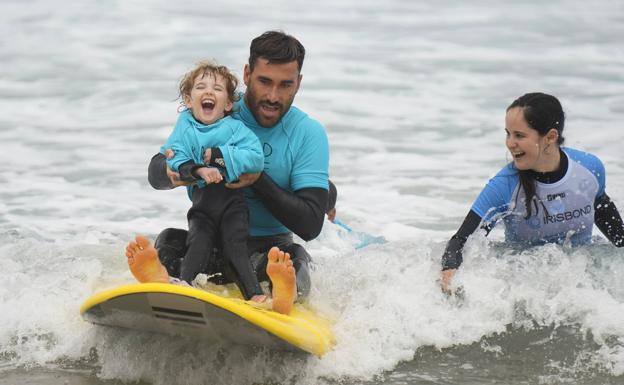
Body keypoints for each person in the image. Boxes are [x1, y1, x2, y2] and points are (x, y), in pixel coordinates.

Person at [138, 31, 330, 315]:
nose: (273, 96)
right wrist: (185, 173)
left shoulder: (307, 133)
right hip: (207, 244)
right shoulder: (216, 107)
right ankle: (165, 283)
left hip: (268, 255)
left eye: (285, 85)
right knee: (168, 240)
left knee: (297, 260)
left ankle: (282, 297)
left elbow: (310, 224)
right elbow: (157, 171)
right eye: (265, 81)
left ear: (299, 83)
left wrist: (257, 179)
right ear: (247, 73)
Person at [440, 92, 624, 294]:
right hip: (525, 291)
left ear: (550, 137)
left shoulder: (589, 169)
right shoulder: (504, 186)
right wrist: (449, 274)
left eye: (519, 135)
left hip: (581, 288)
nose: (510, 143)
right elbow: (461, 241)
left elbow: (611, 224)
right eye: (508, 134)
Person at [127, 60, 269, 304]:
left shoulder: (235, 128)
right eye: (201, 87)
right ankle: (183, 285)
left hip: (232, 205)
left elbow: (256, 158)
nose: (208, 92)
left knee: (235, 246)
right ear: (188, 99)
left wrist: (220, 156)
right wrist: (197, 170)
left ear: (228, 104)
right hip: (203, 206)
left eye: (217, 89)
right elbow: (174, 156)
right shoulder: (185, 127)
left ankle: (255, 294)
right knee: (197, 243)